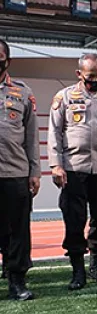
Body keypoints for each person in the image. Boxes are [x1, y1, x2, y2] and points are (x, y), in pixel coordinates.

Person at [48, 53, 97, 290]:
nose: (95, 80)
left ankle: (96, 264)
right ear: (79, 74)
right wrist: (56, 165)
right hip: (74, 168)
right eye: (90, 76)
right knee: (74, 219)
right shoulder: (64, 98)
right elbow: (54, 133)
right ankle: (78, 270)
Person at [0, 39, 40, 300]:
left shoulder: (23, 93)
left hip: (15, 173)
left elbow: (31, 136)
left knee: (17, 231)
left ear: (8, 61)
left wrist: (34, 171)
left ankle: (17, 280)